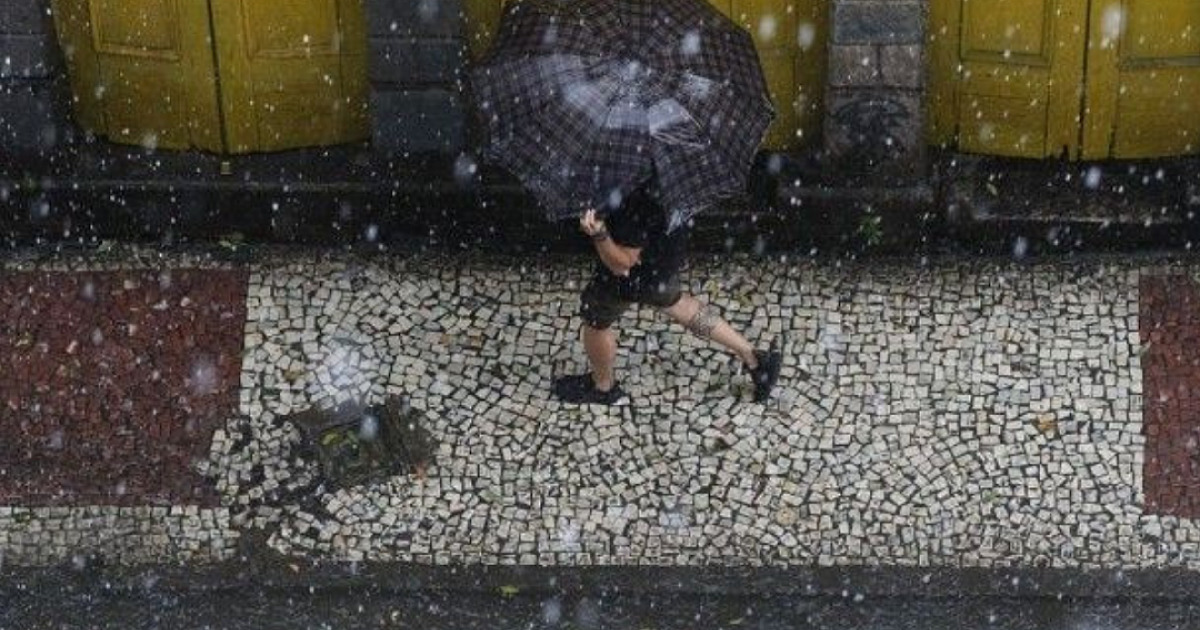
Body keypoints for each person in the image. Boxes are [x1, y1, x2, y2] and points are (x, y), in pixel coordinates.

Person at [552, 184, 783, 406]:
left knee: (596, 318)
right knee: (680, 305)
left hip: (637, 275)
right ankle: (754, 358)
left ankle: (603, 387)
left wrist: (599, 234)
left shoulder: (636, 196)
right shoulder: (669, 173)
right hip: (663, 261)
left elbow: (622, 264)